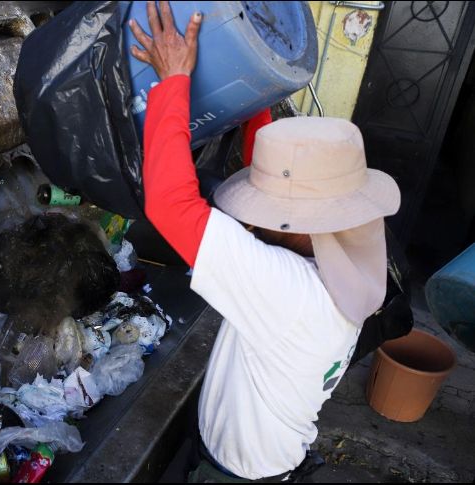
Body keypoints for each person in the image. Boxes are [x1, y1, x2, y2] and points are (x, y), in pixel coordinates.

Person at [129, 2, 402, 481]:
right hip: (271, 463)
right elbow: (284, 187)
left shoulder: (290, 293)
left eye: (268, 212)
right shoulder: (348, 261)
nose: (256, 219)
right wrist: (253, 90)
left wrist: (171, 81)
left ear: (301, 223)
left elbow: (170, 206)